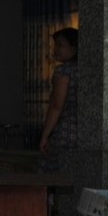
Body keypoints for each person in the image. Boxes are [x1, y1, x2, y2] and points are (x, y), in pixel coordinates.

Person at [39, 27, 78, 170]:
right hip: (83, 133)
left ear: (74, 48)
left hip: (66, 133)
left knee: (53, 174)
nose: (56, 49)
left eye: (60, 45)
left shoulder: (63, 71)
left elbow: (57, 105)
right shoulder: (85, 70)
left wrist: (45, 135)